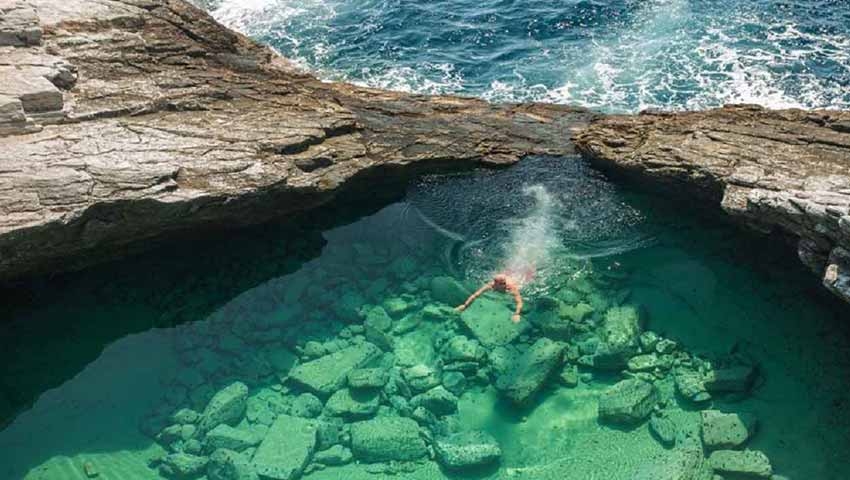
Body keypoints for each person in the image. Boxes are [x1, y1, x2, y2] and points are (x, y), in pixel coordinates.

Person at [455, 272, 526, 323]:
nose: (504, 285)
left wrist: (517, 314)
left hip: (514, 280)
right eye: (501, 284)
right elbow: (475, 295)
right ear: (495, 284)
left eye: (504, 283)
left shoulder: (511, 288)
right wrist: (465, 305)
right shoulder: (490, 286)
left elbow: (519, 302)